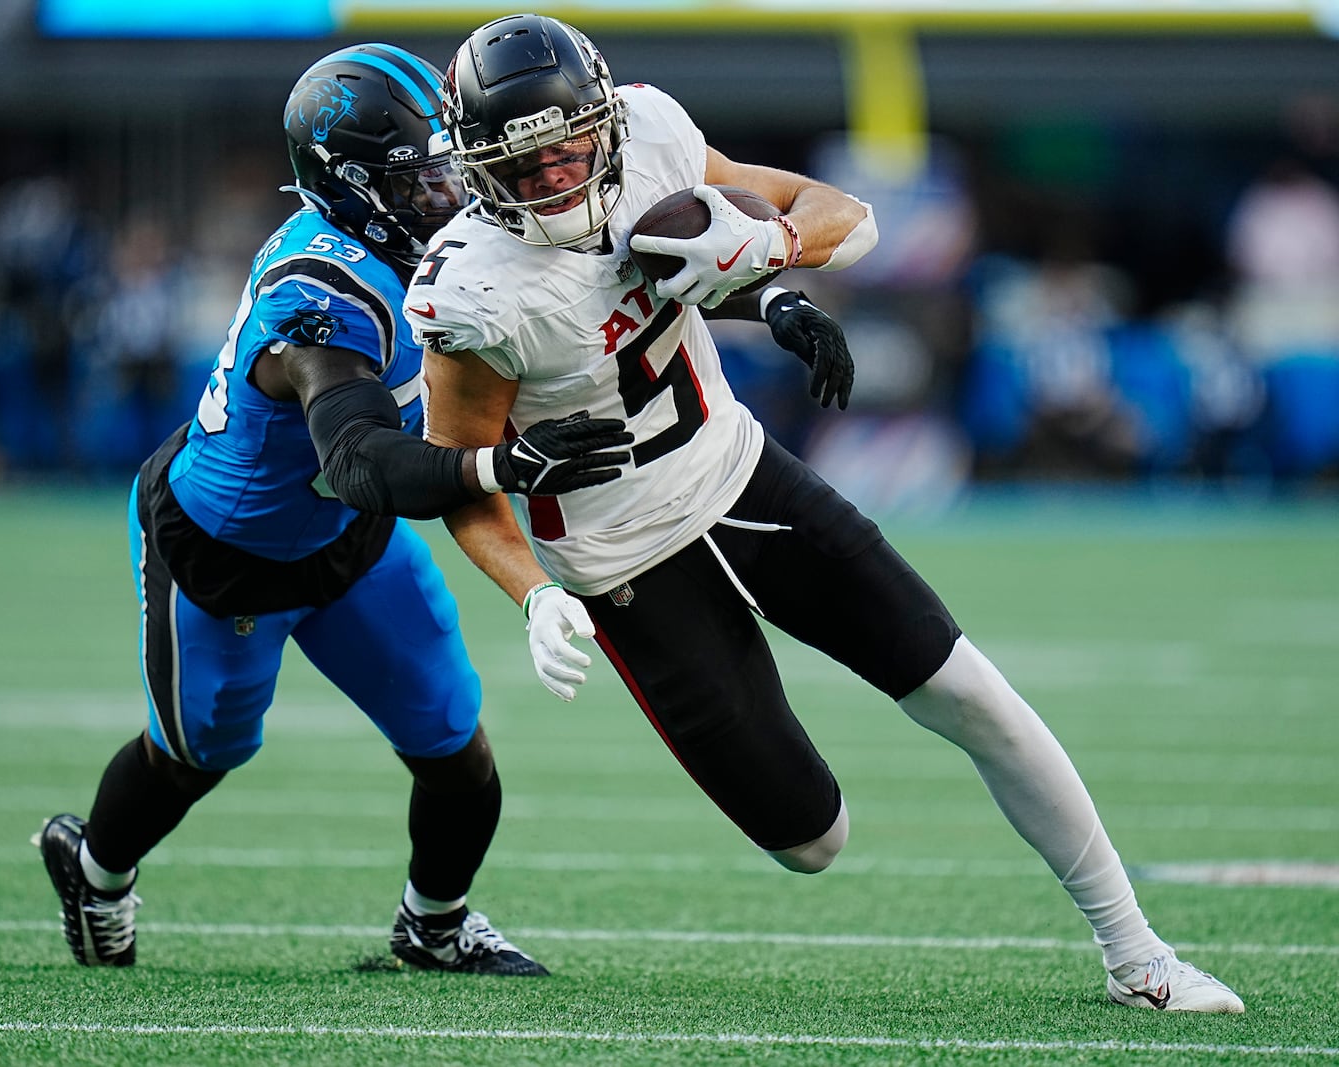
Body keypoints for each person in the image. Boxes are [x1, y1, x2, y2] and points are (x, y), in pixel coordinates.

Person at [406, 13, 1243, 1013]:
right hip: (621, 558)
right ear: (473, 163)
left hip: (742, 477)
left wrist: (773, 253)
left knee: (971, 692)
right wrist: (535, 593)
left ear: (605, 121)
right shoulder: (474, 288)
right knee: (813, 840)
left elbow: (833, 208)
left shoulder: (655, 134)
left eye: (567, 147)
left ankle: (1136, 952)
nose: (550, 176)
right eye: (521, 162)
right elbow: (459, 477)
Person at [34, 42, 632, 977]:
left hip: (350, 538)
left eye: (451, 164)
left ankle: (434, 927)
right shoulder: (321, 294)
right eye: (426, 174)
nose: (454, 189)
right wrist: (504, 464)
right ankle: (96, 871)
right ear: (358, 186)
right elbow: (359, 460)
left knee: (454, 744)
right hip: (230, 550)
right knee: (195, 753)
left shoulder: (453, 243)